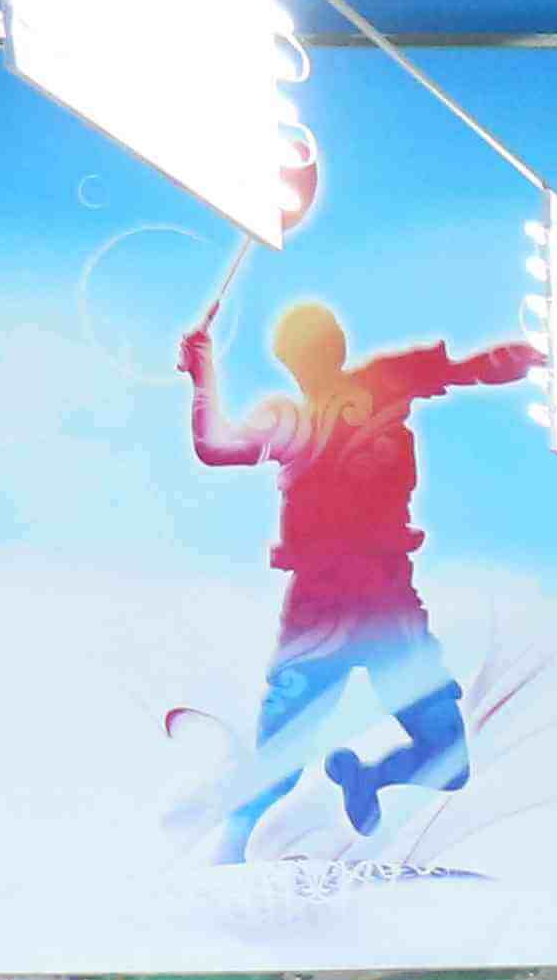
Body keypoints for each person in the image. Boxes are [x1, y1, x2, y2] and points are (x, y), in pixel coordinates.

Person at [177, 292, 538, 855]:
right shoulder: (293, 418)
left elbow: (472, 369)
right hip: (324, 613)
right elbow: (216, 447)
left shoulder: (379, 385)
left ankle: (366, 780)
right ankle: (228, 853)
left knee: (449, 760)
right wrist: (203, 370)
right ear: (298, 359)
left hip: (388, 609)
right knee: (281, 763)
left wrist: (202, 372)